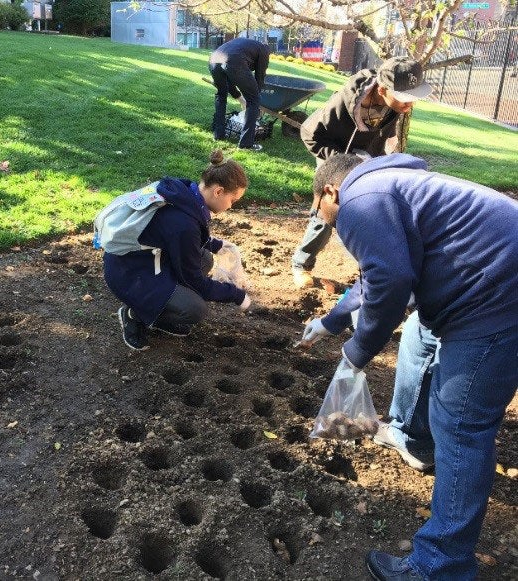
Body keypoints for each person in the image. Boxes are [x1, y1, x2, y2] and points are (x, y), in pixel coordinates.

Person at [298, 153, 518, 580]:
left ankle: (440, 567)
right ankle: (410, 437)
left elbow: (392, 283)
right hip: (483, 282)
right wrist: (330, 321)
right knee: (420, 335)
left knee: (461, 424)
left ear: (330, 191)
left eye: (318, 212)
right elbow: (374, 278)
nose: (323, 221)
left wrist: (357, 351)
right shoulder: (390, 186)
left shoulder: (360, 201)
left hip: (499, 297)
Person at [291, 57, 432, 289]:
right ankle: (301, 264)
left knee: (371, 212)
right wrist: (343, 164)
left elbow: (384, 132)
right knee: (328, 215)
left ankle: (369, 275)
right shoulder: (343, 105)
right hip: (334, 156)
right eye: (406, 99)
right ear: (383, 89)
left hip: (366, 158)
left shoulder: (394, 103)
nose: (410, 105)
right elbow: (310, 134)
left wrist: (383, 156)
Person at [103, 150, 251, 351]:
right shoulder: (184, 222)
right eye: (232, 200)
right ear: (218, 191)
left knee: (204, 259)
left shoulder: (185, 192)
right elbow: (195, 281)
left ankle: (160, 308)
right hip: (129, 273)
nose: (231, 206)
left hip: (141, 259)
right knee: (195, 309)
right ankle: (134, 314)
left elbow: (173, 234)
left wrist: (219, 246)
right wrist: (235, 295)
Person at [209, 37, 270, 150]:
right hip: (234, 59)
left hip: (214, 59)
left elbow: (229, 80)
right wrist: (257, 102)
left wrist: (239, 97)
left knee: (221, 95)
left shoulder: (246, 44)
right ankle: (246, 144)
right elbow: (260, 77)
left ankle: (218, 135)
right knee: (254, 100)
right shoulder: (264, 50)